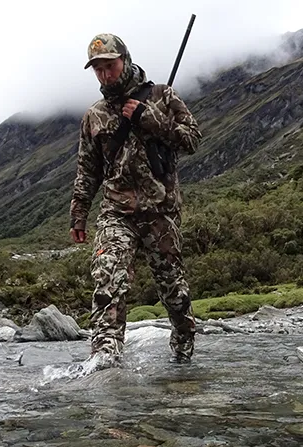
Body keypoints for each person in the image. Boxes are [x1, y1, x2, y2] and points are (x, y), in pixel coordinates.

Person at [70, 33, 201, 367]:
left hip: (161, 212)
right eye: (97, 69)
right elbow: (88, 169)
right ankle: (105, 358)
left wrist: (150, 118)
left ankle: (184, 346)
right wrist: (79, 213)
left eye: (109, 66)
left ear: (124, 60)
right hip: (116, 212)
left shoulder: (161, 96)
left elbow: (192, 140)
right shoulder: (94, 115)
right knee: (106, 273)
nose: (105, 75)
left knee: (173, 291)